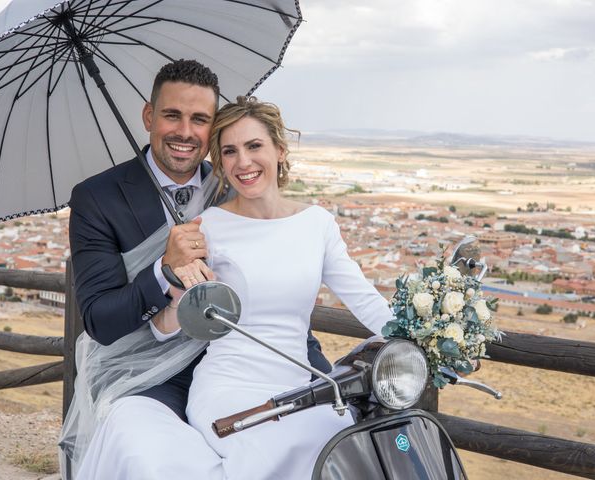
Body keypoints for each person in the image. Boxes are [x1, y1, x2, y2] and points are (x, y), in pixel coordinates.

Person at [61, 60, 330, 479]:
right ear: (149, 117)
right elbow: (101, 320)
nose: (185, 132)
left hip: (239, 375)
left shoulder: (233, 188)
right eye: (172, 115)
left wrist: (321, 376)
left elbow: (276, 297)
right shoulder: (98, 198)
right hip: (147, 380)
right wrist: (162, 269)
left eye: (200, 119)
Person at [157, 96, 394, 479]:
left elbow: (364, 300)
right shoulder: (206, 228)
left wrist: (420, 340)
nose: (243, 162)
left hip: (301, 387)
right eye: (229, 151)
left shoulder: (317, 223)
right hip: (227, 388)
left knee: (342, 451)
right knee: (270, 454)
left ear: (280, 151)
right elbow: (180, 314)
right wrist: (181, 277)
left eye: (254, 146)